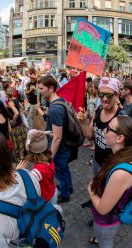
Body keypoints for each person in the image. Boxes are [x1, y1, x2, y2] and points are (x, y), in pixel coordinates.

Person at [88, 116, 132, 248]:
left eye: (109, 128)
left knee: (105, 247)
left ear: (119, 138)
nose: (104, 130)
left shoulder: (120, 173)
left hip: (106, 222)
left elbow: (103, 209)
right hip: (109, 219)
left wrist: (91, 190)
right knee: (104, 240)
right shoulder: (124, 156)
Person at [77, 77, 125, 176]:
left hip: (112, 168)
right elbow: (90, 136)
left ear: (116, 95)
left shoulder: (122, 117)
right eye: (101, 94)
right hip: (97, 162)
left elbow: (127, 150)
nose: (104, 99)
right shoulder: (98, 110)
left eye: (109, 95)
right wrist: (83, 123)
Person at [38, 75, 73, 204]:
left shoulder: (55, 108)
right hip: (64, 146)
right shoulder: (60, 100)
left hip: (60, 147)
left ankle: (65, 194)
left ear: (51, 88)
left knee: (60, 170)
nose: (39, 92)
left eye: (41, 89)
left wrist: (50, 156)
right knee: (64, 169)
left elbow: (57, 138)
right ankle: (69, 187)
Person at [19, 129, 57, 204]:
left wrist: (20, 171)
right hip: (52, 191)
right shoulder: (49, 158)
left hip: (45, 199)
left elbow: (27, 183)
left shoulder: (37, 171)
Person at [7, 87, 27, 160]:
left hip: (16, 124)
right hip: (20, 122)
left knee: (18, 140)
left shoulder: (10, 102)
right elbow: (21, 108)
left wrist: (12, 121)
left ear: (7, 94)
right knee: (22, 138)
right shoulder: (16, 100)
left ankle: (21, 157)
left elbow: (16, 113)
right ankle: (24, 152)